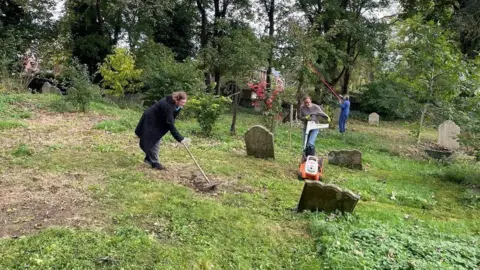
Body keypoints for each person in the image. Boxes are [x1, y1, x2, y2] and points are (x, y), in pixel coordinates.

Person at [135, 91, 189, 170]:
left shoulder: (176, 105)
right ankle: (155, 162)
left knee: (155, 139)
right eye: (182, 102)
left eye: (185, 102)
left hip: (158, 122)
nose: (184, 104)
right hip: (150, 120)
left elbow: (172, 119)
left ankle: (149, 159)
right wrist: (180, 138)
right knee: (152, 139)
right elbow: (170, 123)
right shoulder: (167, 105)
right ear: (177, 99)